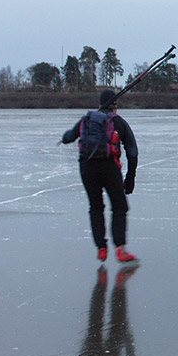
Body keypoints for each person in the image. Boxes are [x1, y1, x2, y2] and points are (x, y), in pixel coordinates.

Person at [62, 90, 139, 263]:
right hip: (109, 167)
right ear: (115, 106)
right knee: (119, 207)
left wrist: (65, 137)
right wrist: (130, 177)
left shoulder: (87, 120)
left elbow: (69, 138)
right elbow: (132, 151)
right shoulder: (118, 122)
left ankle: (101, 248)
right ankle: (120, 249)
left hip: (87, 167)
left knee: (96, 208)